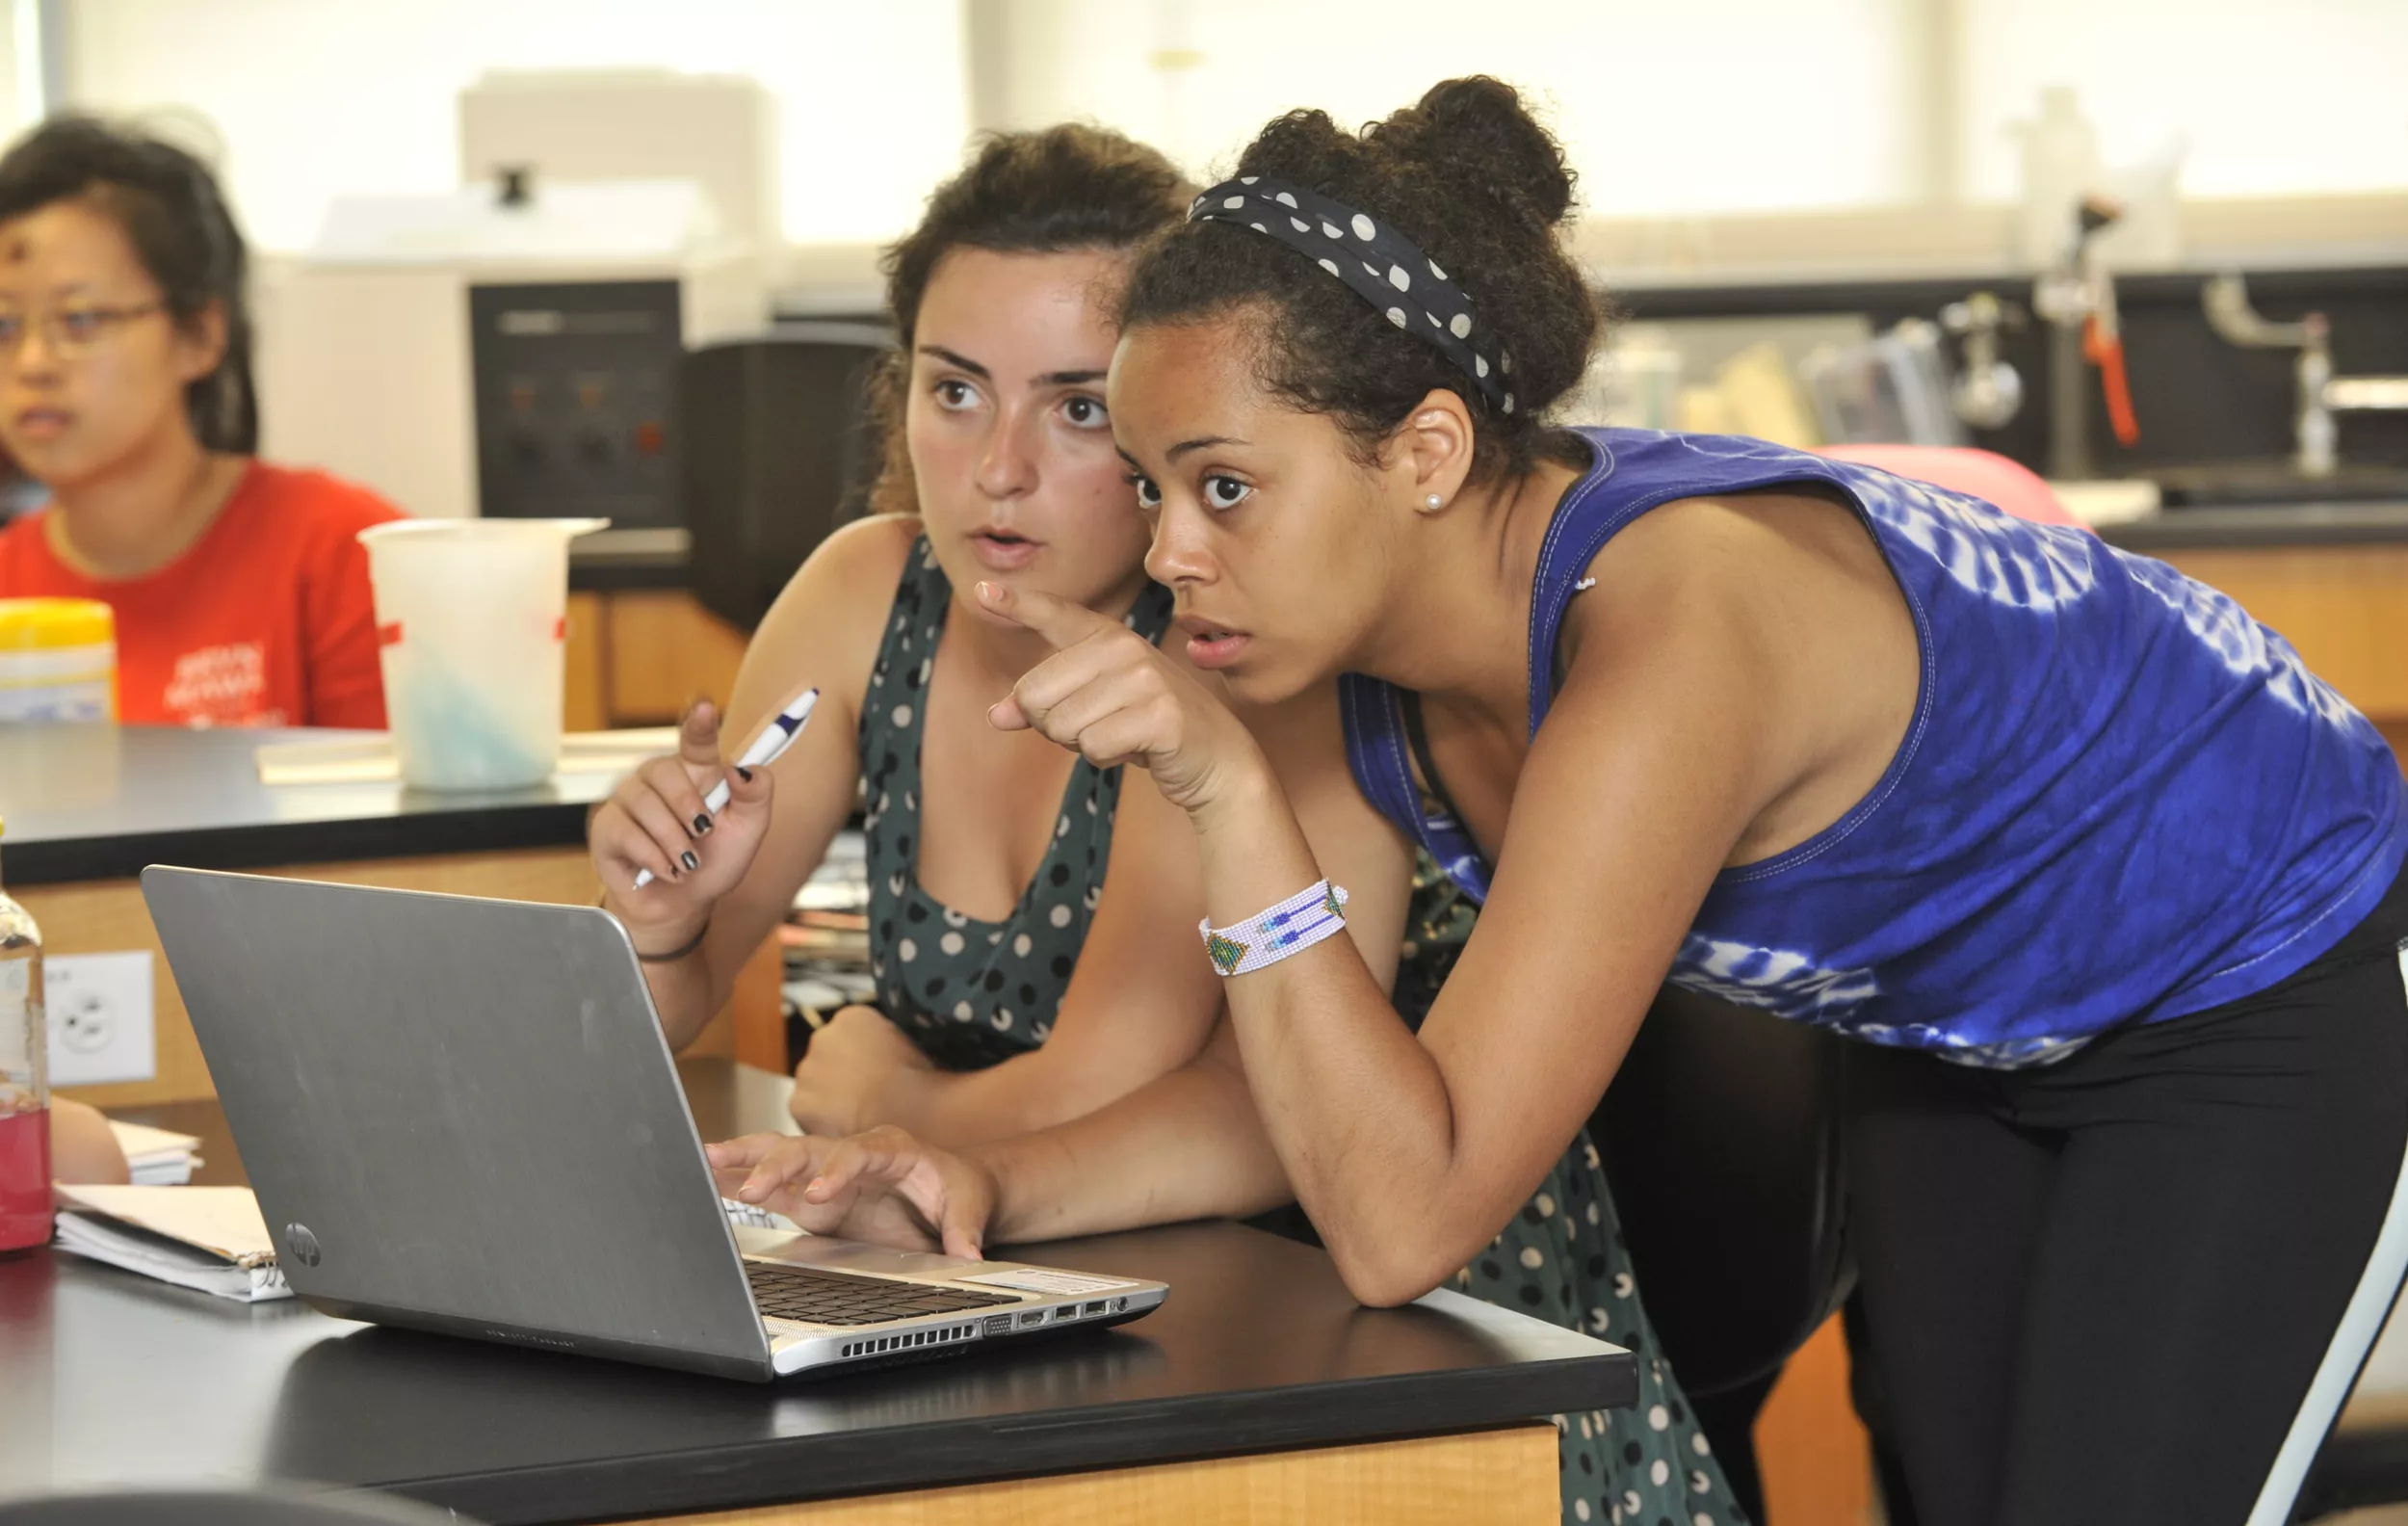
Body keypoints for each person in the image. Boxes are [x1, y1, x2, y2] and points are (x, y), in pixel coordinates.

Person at [712, 78, 2408, 1526]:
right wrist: (953, 1183)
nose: (1166, 552)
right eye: (1155, 485)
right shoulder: (1324, 643)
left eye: (1224, 486)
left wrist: (1225, 785)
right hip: (1955, 1024)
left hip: (2244, 979)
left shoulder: (1672, 636)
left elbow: (1400, 1220)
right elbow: (1277, 1092)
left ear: (1429, 453)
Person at [595, 123, 1745, 1526]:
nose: (997, 469)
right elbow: (672, 997)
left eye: (1077, 410)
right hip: (1059, 1297)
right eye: (954, 393)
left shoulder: (1249, 638)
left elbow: (1170, 1090)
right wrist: (658, 936)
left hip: (1378, 1339)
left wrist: (873, 1096)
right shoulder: (861, 593)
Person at [0, 117, 400, 728]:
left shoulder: (343, 554)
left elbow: (411, 820)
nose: (32, 363)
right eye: (4, 326)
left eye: (79, 320)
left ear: (200, 335)